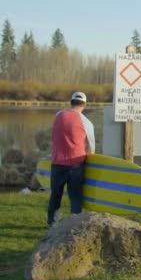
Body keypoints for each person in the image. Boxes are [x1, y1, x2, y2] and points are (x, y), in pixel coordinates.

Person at [48, 91, 95, 227]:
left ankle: (52, 223)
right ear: (84, 104)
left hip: (57, 163)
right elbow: (91, 147)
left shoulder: (58, 115)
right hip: (76, 164)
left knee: (55, 194)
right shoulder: (86, 122)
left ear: (71, 102)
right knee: (75, 196)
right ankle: (74, 224)